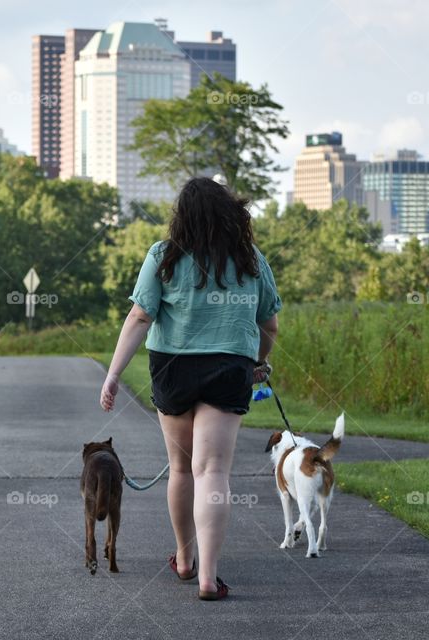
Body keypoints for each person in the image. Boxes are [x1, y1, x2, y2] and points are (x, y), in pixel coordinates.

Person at [99, 177, 281, 601]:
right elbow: (268, 324)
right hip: (229, 367)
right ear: (229, 214)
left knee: (182, 470)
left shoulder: (163, 256)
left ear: (182, 217)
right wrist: (259, 361)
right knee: (212, 472)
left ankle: (184, 559)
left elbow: (140, 318)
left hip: (173, 368)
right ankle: (208, 577)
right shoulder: (249, 259)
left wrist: (112, 374)